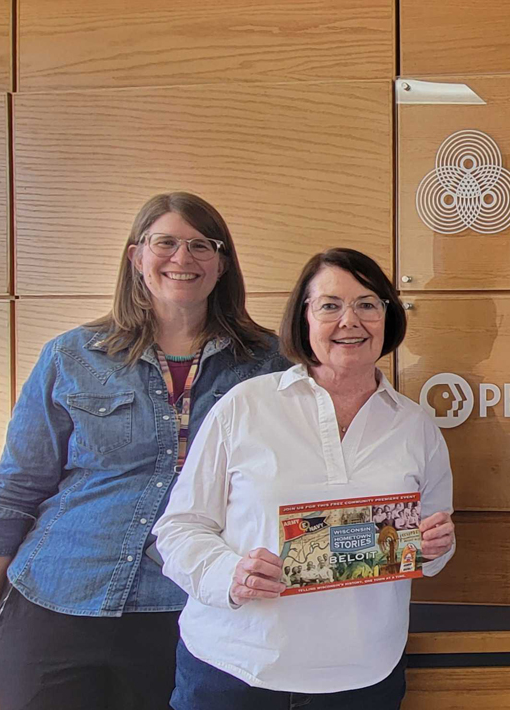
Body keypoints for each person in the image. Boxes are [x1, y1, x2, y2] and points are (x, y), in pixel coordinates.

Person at [0, 192, 287, 710]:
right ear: (135, 258)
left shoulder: (270, 365)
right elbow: (10, 497)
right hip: (56, 599)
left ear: (222, 264)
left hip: (190, 611)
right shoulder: (70, 355)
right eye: (165, 242)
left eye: (201, 245)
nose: (182, 258)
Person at [155, 248, 455, 710]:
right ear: (304, 318)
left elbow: (430, 548)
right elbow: (178, 528)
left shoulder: (416, 426)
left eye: (368, 304)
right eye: (330, 305)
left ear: (388, 317)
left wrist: (437, 546)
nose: (349, 321)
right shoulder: (245, 406)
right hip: (234, 671)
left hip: (364, 678)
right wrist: (228, 575)